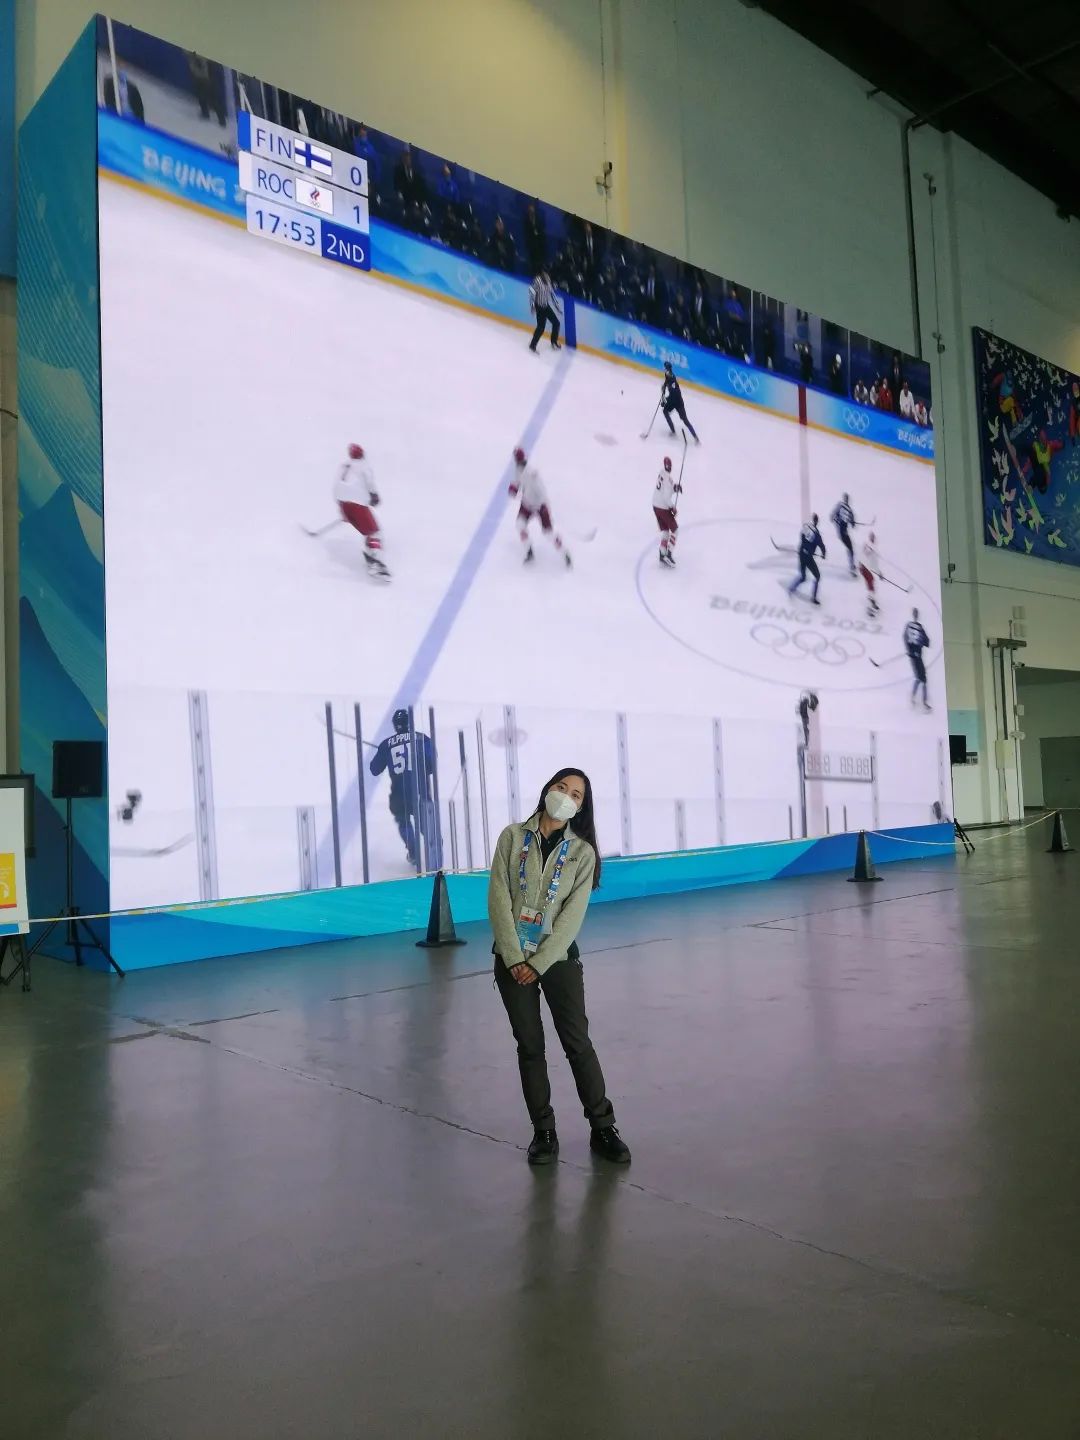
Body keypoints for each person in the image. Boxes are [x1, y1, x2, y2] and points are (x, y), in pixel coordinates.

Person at [488, 768, 629, 1166]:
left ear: (581, 808)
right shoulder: (512, 837)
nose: (566, 796)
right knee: (530, 1047)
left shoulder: (582, 853)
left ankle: (603, 1128)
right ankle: (543, 1132)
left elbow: (571, 917)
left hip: (558, 960)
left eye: (576, 794)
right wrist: (515, 958)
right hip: (512, 961)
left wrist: (539, 962)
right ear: (548, 789)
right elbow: (498, 897)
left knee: (577, 1043)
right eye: (561, 787)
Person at [369, 708, 438, 868]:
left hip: (399, 793)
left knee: (403, 820)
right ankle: (434, 846)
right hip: (420, 790)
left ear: (395, 725)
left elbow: (374, 769)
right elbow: (432, 763)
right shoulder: (422, 739)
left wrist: (384, 754)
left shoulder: (386, 744)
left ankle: (413, 852)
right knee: (425, 821)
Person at [335, 443, 390, 580]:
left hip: (344, 505)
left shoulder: (344, 466)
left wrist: (343, 511)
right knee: (375, 533)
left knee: (368, 533)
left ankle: (371, 556)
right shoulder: (363, 465)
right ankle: (375, 563)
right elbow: (370, 483)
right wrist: (374, 496)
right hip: (357, 505)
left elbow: (337, 488)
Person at [509, 448, 571, 567]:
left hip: (539, 506)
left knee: (548, 533)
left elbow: (542, 491)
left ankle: (565, 553)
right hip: (526, 504)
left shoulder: (532, 473)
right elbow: (517, 482)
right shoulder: (518, 469)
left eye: (518, 460)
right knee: (520, 525)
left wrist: (543, 505)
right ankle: (529, 551)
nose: (518, 462)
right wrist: (514, 488)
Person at [788, 515, 826, 605]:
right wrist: (823, 554)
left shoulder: (805, 527)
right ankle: (814, 598)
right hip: (808, 558)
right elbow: (822, 546)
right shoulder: (817, 534)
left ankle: (791, 589)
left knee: (803, 576)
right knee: (817, 576)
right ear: (817, 522)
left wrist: (804, 548)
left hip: (801, 555)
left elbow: (801, 536)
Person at [653, 454, 682, 568]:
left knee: (665, 530)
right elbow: (666, 497)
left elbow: (667, 488)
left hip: (655, 505)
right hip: (663, 507)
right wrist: (672, 507)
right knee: (675, 530)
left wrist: (675, 488)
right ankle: (669, 554)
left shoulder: (661, 473)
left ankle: (662, 553)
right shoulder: (668, 478)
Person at [661, 361, 700, 442]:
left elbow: (674, 395)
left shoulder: (672, 379)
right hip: (673, 400)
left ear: (668, 369)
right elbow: (666, 381)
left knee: (685, 420)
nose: (664, 369)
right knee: (665, 411)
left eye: (665, 368)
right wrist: (664, 387)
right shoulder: (668, 375)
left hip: (678, 402)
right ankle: (673, 431)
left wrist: (665, 400)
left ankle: (696, 438)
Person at [903, 609, 932, 711]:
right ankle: (921, 702)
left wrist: (910, 649)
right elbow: (926, 641)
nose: (916, 615)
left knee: (921, 678)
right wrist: (912, 649)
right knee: (921, 678)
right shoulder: (917, 627)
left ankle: (915, 699)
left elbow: (925, 641)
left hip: (916, 656)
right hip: (916, 657)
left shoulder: (914, 626)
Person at [528, 271, 562, 352]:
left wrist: (557, 307)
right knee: (541, 328)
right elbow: (531, 291)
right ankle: (532, 345)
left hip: (546, 305)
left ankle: (554, 342)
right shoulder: (537, 281)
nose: (547, 277)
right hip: (539, 306)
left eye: (548, 276)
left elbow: (552, 295)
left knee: (556, 323)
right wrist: (532, 305)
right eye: (545, 275)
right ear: (542, 275)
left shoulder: (549, 281)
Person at [830, 493, 857, 575]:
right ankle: (852, 567)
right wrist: (852, 522)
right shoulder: (849, 510)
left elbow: (832, 516)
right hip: (843, 532)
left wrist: (835, 519)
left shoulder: (840, 506)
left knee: (850, 548)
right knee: (850, 548)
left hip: (842, 532)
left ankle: (852, 565)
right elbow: (853, 524)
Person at [859, 531, 882, 617]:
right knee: (871, 582)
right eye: (872, 537)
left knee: (871, 583)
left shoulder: (868, 545)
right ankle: (871, 605)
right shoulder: (869, 546)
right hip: (864, 567)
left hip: (863, 567)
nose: (873, 539)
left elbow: (872, 561)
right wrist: (879, 572)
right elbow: (867, 557)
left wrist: (878, 572)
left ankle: (872, 600)